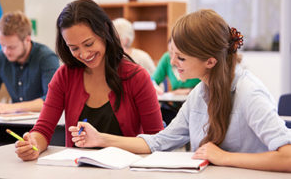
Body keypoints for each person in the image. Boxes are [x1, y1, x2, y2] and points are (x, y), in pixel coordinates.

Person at [69, 9, 291, 172]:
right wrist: (101, 139)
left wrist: (224, 157)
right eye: (172, 52)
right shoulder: (200, 93)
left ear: (210, 62)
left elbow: (288, 158)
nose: (172, 61)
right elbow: (159, 142)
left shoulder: (249, 93)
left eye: (181, 57)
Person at [14, 0, 163, 161]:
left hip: (126, 171)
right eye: (74, 48)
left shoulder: (136, 77)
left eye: (89, 43)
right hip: (78, 171)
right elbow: (43, 130)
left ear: (104, 31)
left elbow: (157, 141)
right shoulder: (64, 76)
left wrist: (103, 139)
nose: (84, 55)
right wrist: (32, 144)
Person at [0, 11, 59, 114]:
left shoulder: (46, 58)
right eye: (2, 45)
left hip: (43, 123)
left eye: (11, 47)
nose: (6, 51)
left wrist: (11, 107)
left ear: (27, 39)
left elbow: (51, 101)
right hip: (13, 123)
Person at [152, 39, 201, 125]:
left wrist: (188, 91)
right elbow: (153, 80)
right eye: (171, 53)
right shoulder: (167, 58)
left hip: (197, 108)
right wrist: (156, 89)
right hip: (175, 109)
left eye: (178, 55)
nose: (172, 60)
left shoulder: (197, 62)